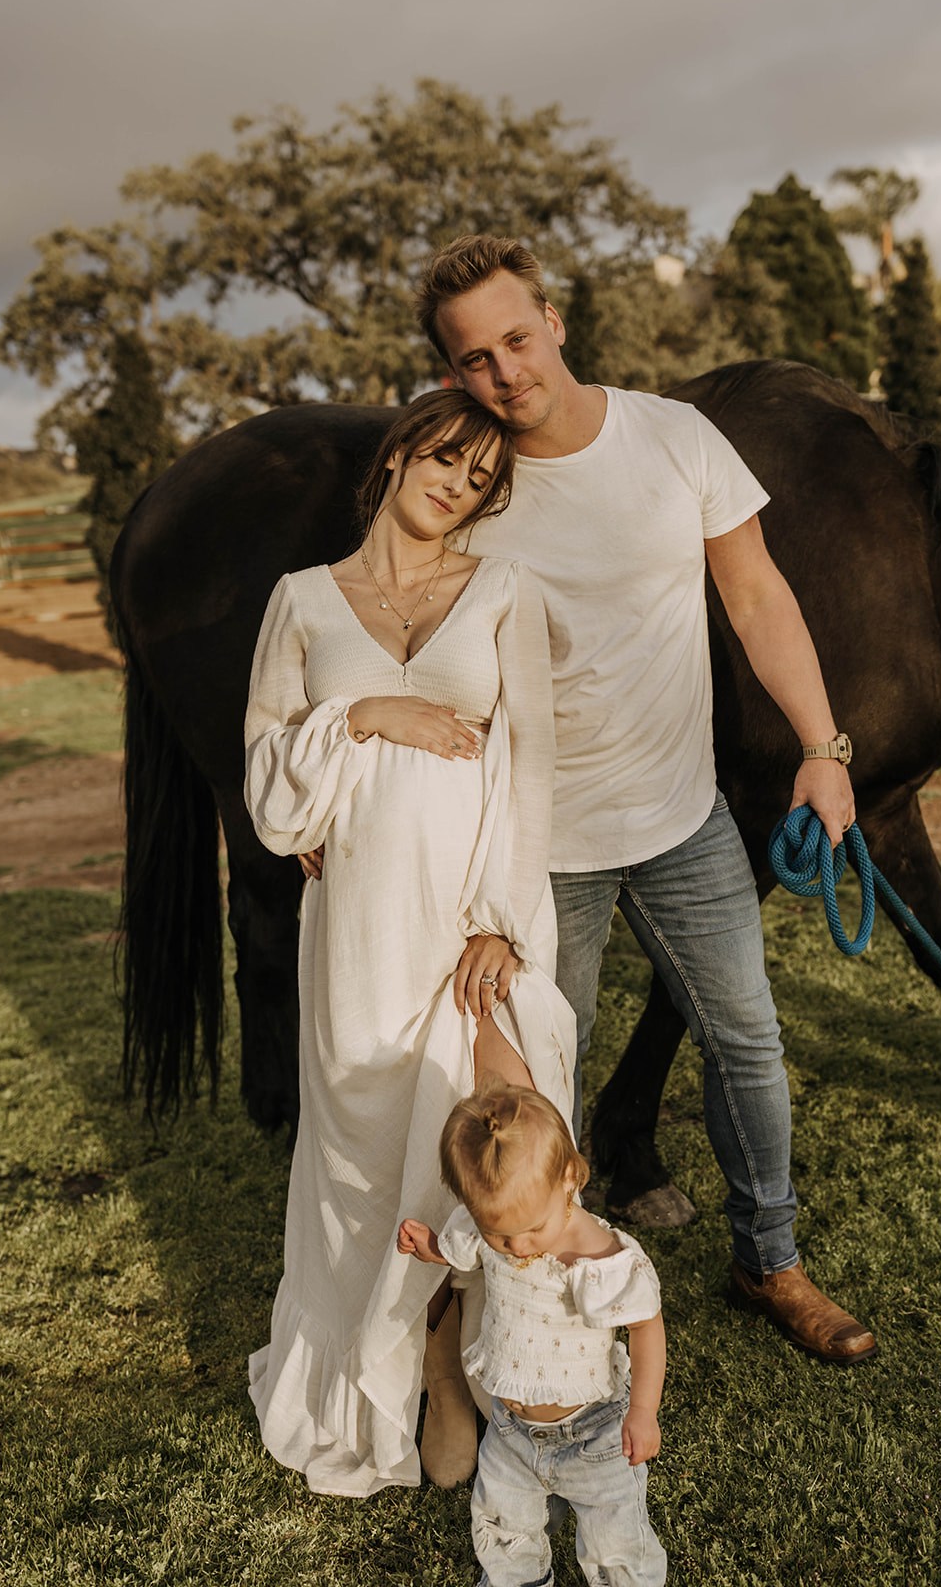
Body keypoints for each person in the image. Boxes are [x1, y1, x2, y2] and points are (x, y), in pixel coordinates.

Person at [410, 235, 877, 1364]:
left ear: (554, 322)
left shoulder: (674, 437)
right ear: (449, 375)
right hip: (534, 845)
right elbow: (404, 647)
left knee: (748, 1041)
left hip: (681, 818)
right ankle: (535, 1288)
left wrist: (824, 746)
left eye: (515, 340)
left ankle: (768, 1260)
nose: (504, 373)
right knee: (534, 1086)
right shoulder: (465, 483)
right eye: (473, 360)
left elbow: (755, 593)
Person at [243, 387, 576, 1497]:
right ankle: (391, 1364)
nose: (457, 485)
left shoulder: (503, 588)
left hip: (471, 916)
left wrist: (497, 915)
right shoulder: (299, 601)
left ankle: (459, 1363)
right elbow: (270, 793)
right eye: (444, 458)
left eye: (481, 478)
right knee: (361, 1143)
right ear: (397, 455)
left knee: (493, 1127)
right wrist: (365, 718)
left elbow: (526, 762)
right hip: (358, 927)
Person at [399, 1081, 667, 1587]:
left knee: (616, 1546)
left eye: (531, 1230)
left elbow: (646, 1327)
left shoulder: (599, 1259)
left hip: (596, 1434)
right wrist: (434, 1246)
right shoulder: (492, 1227)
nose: (516, 1247)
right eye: (500, 1233)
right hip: (509, 1431)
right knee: (504, 1529)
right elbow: (469, 1250)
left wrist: (643, 1412)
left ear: (569, 1178)